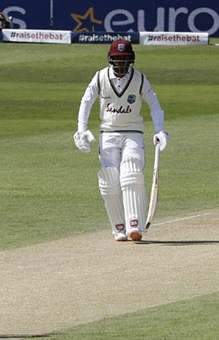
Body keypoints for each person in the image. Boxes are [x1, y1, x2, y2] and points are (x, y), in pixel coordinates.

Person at [74, 39, 168, 242]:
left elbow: (155, 105)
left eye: (125, 59)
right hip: (108, 133)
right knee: (110, 180)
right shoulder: (100, 77)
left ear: (131, 60)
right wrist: (81, 130)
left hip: (133, 131)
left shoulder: (139, 79)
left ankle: (134, 224)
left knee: (131, 172)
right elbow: (86, 100)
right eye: (117, 59)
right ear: (111, 59)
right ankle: (119, 227)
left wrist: (160, 130)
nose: (121, 64)